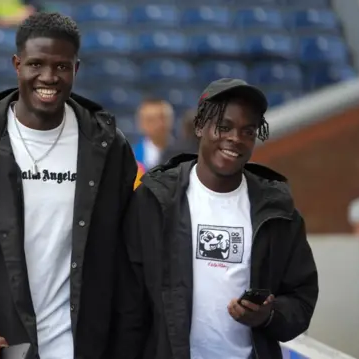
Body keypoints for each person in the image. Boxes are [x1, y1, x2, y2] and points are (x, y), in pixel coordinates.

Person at [0, 12, 137, 359]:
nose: (48, 76)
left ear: (76, 69)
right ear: (17, 64)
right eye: (36, 64)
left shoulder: (107, 147)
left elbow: (126, 254)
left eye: (61, 66)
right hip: (1, 348)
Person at [110, 78, 319, 359]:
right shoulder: (154, 200)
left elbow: (301, 298)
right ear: (199, 127)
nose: (235, 138)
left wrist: (268, 316)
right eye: (224, 126)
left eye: (248, 131)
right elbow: (127, 305)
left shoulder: (277, 211)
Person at [132, 98, 175, 171]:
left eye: (162, 118)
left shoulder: (187, 155)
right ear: (141, 124)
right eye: (151, 120)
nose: (159, 124)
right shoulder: (131, 157)